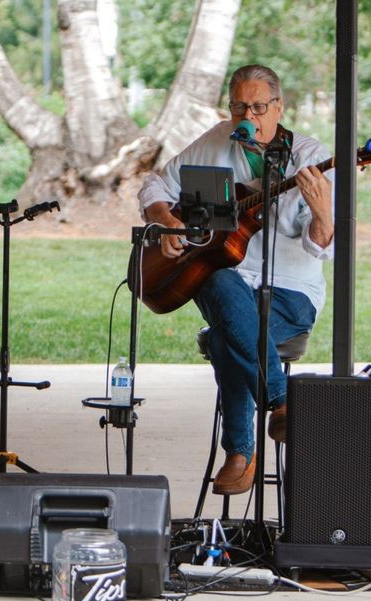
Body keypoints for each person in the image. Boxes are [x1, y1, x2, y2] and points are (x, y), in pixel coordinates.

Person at [138, 64, 334, 495]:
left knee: (231, 334)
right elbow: (154, 183)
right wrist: (167, 221)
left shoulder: (309, 157)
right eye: (239, 106)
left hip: (290, 294)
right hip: (229, 281)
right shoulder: (215, 140)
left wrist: (322, 211)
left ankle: (240, 452)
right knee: (218, 279)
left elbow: (320, 247)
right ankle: (281, 401)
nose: (249, 115)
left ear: (279, 107)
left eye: (259, 107)